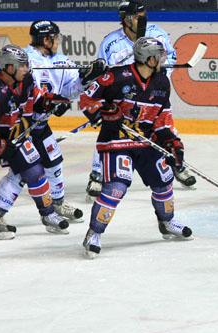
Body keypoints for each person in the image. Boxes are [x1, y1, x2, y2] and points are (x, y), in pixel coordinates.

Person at [0, 21, 108, 238]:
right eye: (55, 37)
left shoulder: (61, 61)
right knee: (23, 171)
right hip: (20, 125)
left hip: (40, 123)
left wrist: (86, 77)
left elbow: (70, 89)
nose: (58, 41)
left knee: (54, 161)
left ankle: (55, 204)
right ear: (46, 39)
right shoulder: (24, 58)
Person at [79, 37, 192, 258]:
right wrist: (104, 112)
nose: (163, 60)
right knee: (116, 187)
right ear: (150, 59)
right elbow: (86, 98)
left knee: (164, 180)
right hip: (115, 142)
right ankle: (94, 233)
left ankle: (167, 222)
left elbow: (163, 118)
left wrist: (172, 142)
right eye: (159, 56)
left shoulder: (161, 82)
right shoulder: (117, 76)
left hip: (145, 141)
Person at [85, 0, 196, 201]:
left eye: (143, 13)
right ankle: (98, 174)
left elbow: (171, 56)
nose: (142, 18)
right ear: (126, 19)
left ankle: (176, 164)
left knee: (164, 127)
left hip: (151, 91)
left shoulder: (158, 33)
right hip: (125, 95)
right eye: (137, 15)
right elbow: (104, 71)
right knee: (111, 132)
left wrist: (160, 74)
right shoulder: (110, 42)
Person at [0, 45, 69, 239]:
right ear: (9, 67)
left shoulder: (25, 80)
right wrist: (2, 148)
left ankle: (46, 215)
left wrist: (51, 102)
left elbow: (37, 98)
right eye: (22, 65)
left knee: (35, 171)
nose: (27, 68)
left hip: (12, 137)